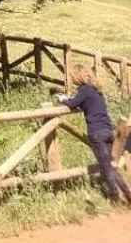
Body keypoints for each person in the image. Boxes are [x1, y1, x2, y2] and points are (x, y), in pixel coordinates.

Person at [54, 65, 131, 205]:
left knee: (105, 166)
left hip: (96, 132)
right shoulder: (97, 91)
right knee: (111, 165)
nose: (72, 79)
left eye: (73, 77)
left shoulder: (84, 90)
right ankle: (126, 192)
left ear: (79, 77)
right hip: (108, 130)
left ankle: (114, 197)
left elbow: (72, 104)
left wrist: (62, 99)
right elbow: (85, 104)